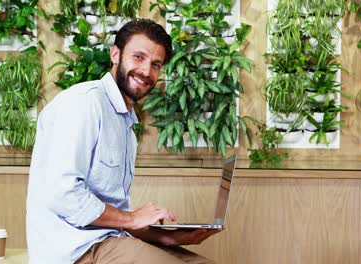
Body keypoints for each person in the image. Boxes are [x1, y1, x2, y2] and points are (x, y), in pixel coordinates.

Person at [26, 19, 222, 264]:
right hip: (75, 250)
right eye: (138, 57)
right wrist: (131, 218)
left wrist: (173, 238)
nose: (146, 71)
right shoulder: (84, 104)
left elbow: (113, 217)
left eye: (156, 64)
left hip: (109, 239)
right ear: (115, 54)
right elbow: (64, 195)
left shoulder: (126, 123)